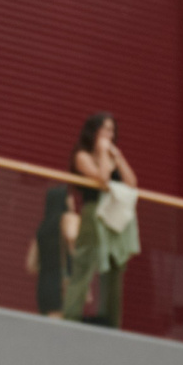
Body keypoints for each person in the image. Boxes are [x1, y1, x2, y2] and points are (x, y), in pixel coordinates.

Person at [62, 113, 140, 329]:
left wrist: (118, 157)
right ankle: (71, 317)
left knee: (115, 265)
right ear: (94, 130)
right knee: (85, 262)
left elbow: (132, 183)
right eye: (105, 129)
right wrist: (103, 152)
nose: (109, 134)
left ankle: (112, 322)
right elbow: (102, 179)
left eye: (112, 130)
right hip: (94, 212)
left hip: (114, 214)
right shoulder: (82, 155)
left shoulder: (114, 157)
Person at [29, 179, 73, 316]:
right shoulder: (68, 219)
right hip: (62, 285)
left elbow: (31, 265)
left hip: (43, 286)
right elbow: (72, 236)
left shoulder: (42, 228)